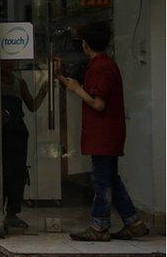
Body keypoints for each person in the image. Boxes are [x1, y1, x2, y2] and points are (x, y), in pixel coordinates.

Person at [55, 23, 149, 242]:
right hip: (107, 133)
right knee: (110, 178)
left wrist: (78, 90)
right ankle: (133, 222)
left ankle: (99, 225)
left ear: (85, 44)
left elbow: (98, 104)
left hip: (103, 133)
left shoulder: (100, 67)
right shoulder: (104, 65)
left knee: (102, 180)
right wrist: (60, 77)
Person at [0, 60, 48, 231]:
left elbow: (32, 105)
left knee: (18, 173)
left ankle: (12, 213)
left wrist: (45, 88)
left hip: (18, 134)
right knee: (3, 173)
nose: (8, 68)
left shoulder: (19, 83)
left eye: (10, 64)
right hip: (2, 134)